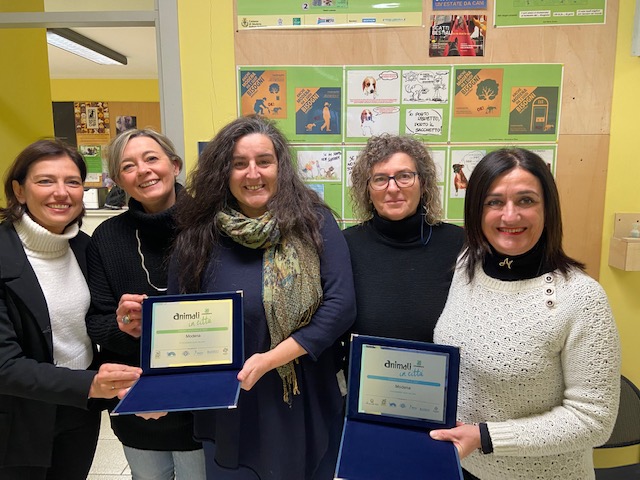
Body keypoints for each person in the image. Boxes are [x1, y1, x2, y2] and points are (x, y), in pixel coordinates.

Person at [169, 115, 356, 480]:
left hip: (302, 396)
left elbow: (340, 306)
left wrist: (272, 359)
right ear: (223, 172)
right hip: (230, 402)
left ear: (280, 167)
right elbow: (178, 315)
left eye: (264, 161)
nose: (252, 173)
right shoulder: (198, 234)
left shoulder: (314, 223)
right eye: (239, 163)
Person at [430, 148, 621, 480]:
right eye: (494, 202)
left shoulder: (581, 298)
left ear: (548, 208)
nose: (510, 216)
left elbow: (594, 421)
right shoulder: (466, 268)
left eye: (525, 200)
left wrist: (486, 437)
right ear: (476, 211)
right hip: (461, 465)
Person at [0, 139, 142, 480]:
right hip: (18, 416)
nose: (61, 193)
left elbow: (86, 324)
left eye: (72, 182)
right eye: (45, 181)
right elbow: (4, 365)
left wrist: (122, 322)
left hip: (79, 412)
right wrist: (90, 384)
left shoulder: (83, 247)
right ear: (19, 191)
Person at [86, 129, 205, 479]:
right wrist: (125, 327)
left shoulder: (211, 227)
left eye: (151, 158)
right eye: (128, 166)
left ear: (175, 165)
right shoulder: (106, 238)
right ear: (118, 180)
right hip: (137, 402)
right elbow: (96, 322)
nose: (143, 170)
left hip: (202, 402)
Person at [344, 134, 464, 344]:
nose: (392, 188)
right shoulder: (345, 245)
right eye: (380, 179)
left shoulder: (458, 243)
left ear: (423, 183)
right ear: (367, 190)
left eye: (404, 176)